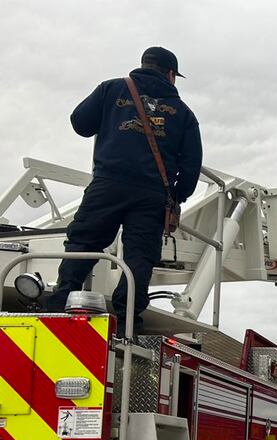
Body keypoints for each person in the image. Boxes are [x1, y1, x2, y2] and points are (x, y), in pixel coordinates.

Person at [47, 47, 203, 335]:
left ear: (144, 65)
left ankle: (60, 301)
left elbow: (80, 124)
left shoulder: (111, 89)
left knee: (83, 242)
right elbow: (192, 164)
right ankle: (127, 317)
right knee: (140, 256)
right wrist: (177, 196)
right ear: (171, 74)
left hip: (108, 184)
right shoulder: (183, 113)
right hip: (152, 195)